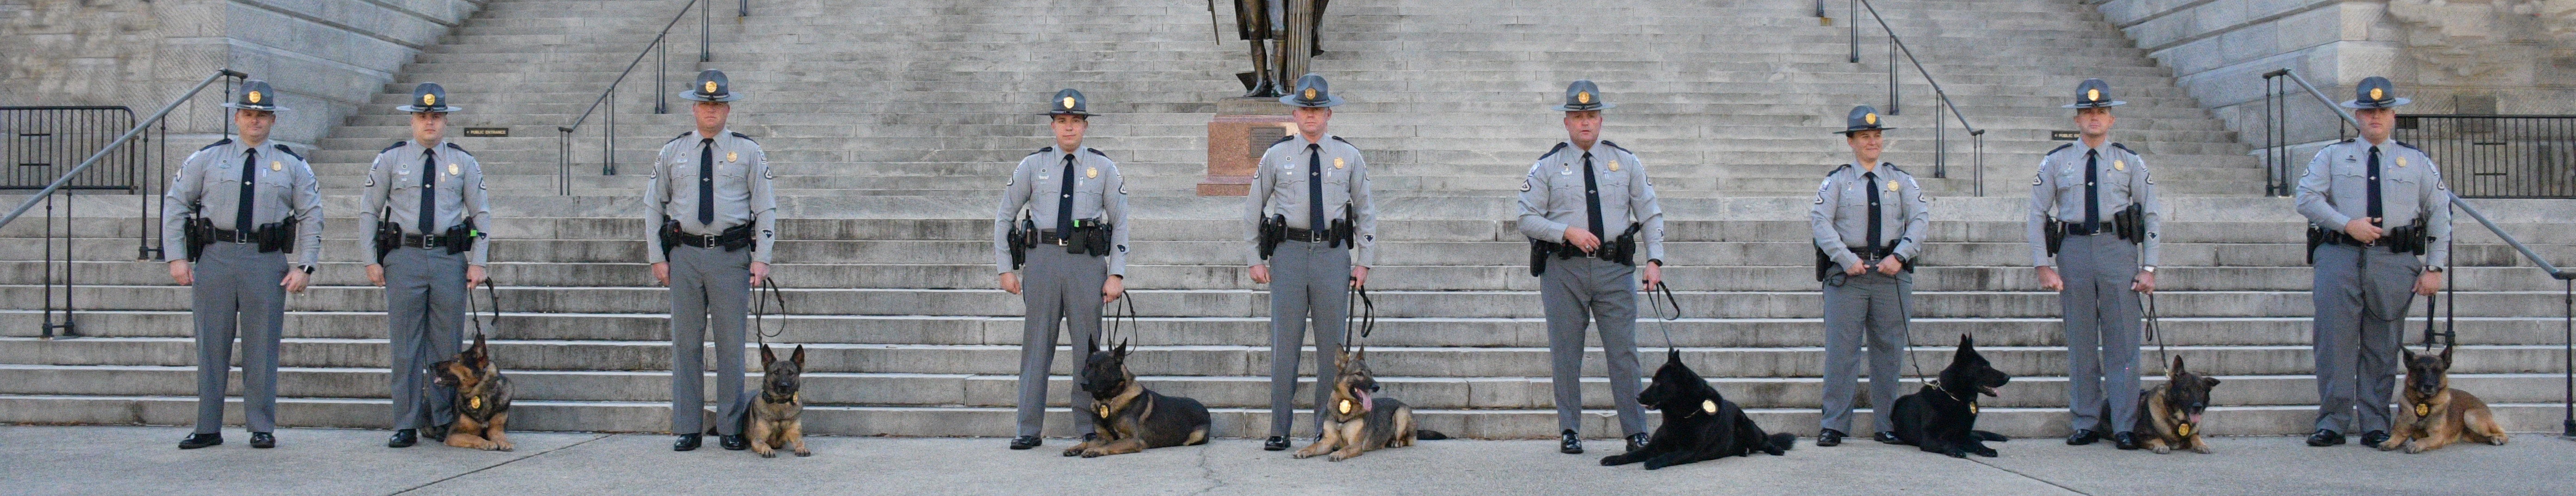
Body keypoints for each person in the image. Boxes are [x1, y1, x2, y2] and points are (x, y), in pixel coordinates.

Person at [164, 78, 322, 450]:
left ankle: (261, 425)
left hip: (265, 262)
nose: (256, 121)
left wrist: (306, 266)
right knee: (211, 346)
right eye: (249, 114)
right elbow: (176, 204)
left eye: (263, 115)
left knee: (263, 347)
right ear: (236, 117)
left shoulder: (292, 165)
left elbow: (312, 215)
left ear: (273, 120)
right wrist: (177, 257)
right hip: (215, 257)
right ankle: (207, 427)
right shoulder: (207, 158)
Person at [2295, 76, 2451, 449]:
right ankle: (2332, 421)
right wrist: (2347, 224)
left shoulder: (2416, 161)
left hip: (2394, 262)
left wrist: (2435, 266)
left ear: (2394, 114)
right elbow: (2306, 198)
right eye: (2367, 111)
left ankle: (2377, 424)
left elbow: (2439, 212)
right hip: (2339, 256)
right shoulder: (2331, 156)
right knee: (2333, 343)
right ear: (2357, 115)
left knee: (2383, 346)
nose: (2374, 118)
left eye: (2382, 110)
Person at [1514, 80, 1666, 455]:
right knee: (1566, 354)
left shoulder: (1626, 162)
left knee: (1624, 353)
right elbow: (1525, 217)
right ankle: (1569, 429)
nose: (1586, 123)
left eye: (1592, 116)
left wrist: (1654, 258)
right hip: (1564, 272)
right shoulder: (1548, 166)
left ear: (1601, 120)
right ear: (1566, 121)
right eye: (1578, 116)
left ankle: (1636, 431)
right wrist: (1565, 231)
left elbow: (1650, 212)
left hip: (1615, 271)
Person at [646, 69, 778, 452]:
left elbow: (765, 207)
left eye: (717, 104)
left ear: (727, 109)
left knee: (730, 345)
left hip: (730, 256)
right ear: (693, 107)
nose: (711, 111)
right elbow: (654, 206)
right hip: (684, 256)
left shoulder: (749, 152)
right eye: (704, 104)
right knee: (686, 343)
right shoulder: (673, 151)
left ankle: (731, 426)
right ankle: (688, 425)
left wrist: (762, 258)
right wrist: (658, 256)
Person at [2027, 78, 2162, 450]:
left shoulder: (2130, 161)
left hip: (2117, 251)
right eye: (2087, 113)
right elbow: (2037, 213)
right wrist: (2043, 264)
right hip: (2073, 251)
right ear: (2077, 119)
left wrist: (2149, 268)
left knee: (2123, 343)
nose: (2094, 118)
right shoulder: (2057, 162)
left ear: (2111, 118)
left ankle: (2123, 424)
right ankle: (2085, 421)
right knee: (2082, 342)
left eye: (2100, 112)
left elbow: (2151, 213)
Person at [1244, 74, 1376, 451]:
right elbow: (1253, 208)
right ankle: (1279, 428)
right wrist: (1254, 257)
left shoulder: (1348, 156)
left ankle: (1325, 427)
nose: (1311, 116)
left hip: (1332, 257)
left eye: (1317, 110)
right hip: (1288, 255)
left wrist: (1363, 261)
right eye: (1304, 109)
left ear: (1329, 113)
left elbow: (1366, 212)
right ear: (1295, 113)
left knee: (1331, 352)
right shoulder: (1277, 155)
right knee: (1284, 346)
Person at [994, 88, 1131, 450]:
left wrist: (1116, 273)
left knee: (1088, 351)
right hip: (1041, 260)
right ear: (1053, 126)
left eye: (1075, 121)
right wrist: (1005, 268)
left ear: (1085, 126)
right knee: (1037, 345)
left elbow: (1121, 223)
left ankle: (1089, 427)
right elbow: (1005, 216)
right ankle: (1028, 427)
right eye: (1061, 121)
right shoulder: (1032, 166)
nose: (1068, 128)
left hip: (1086, 263)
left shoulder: (1104, 167)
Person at [361, 82, 492, 448]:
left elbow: (480, 213)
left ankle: (442, 419)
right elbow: (369, 210)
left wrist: (478, 262)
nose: (429, 123)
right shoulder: (390, 160)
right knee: (405, 345)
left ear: (446, 120)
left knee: (447, 347)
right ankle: (405, 422)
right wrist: (371, 260)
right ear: (412, 120)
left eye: (436, 117)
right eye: (423, 116)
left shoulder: (463, 162)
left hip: (448, 260)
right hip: (404, 258)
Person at [1808, 105, 1927, 447]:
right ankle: (1834, 424)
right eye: (1865, 137)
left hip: (1891, 273)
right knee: (1841, 352)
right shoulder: (1837, 181)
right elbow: (1820, 223)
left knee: (1889, 351)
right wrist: (1845, 259)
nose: (1873, 142)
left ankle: (1887, 423)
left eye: (1877, 136)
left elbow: (1920, 219)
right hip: (1849, 276)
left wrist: (1901, 255)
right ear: (1851, 142)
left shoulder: (1901, 179)